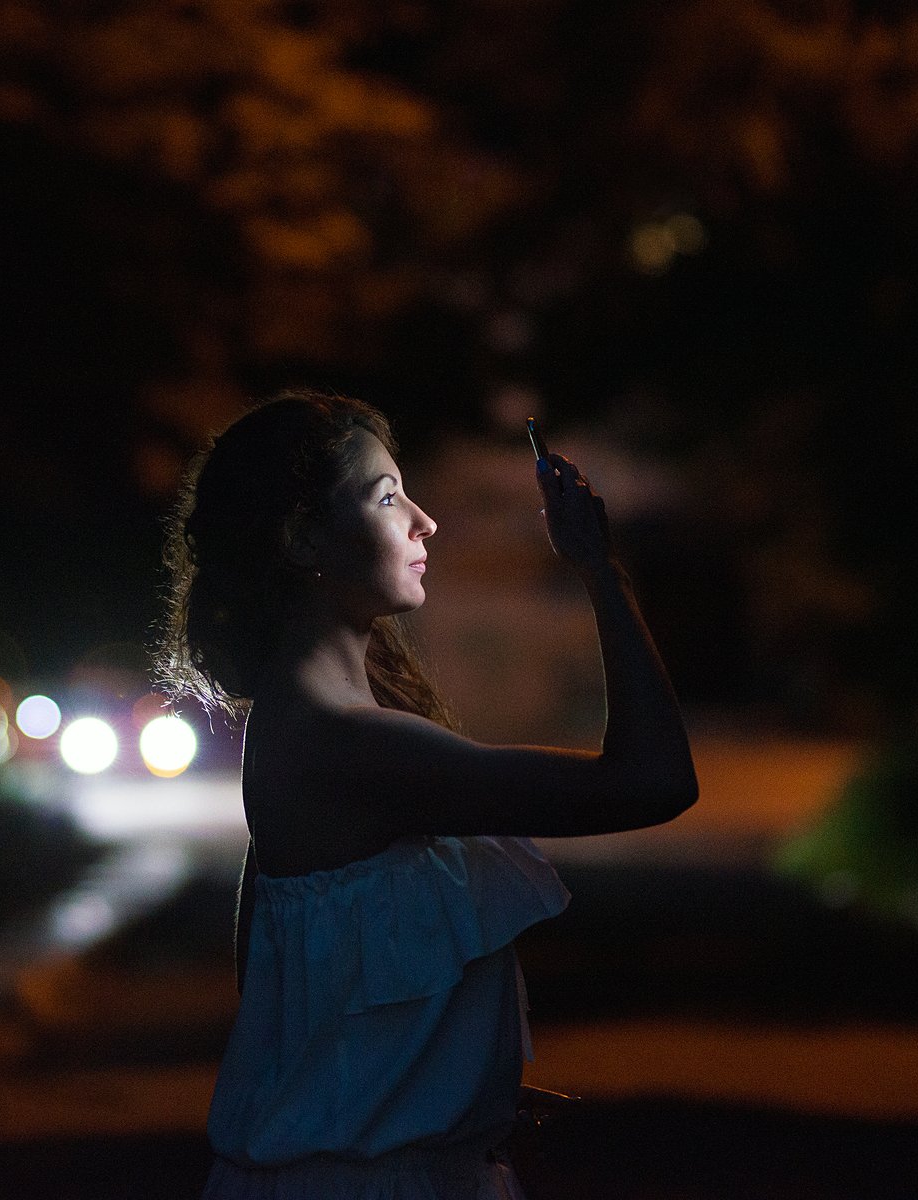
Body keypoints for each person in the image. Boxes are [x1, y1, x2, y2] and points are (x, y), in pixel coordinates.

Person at [154, 389, 697, 1199]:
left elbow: (303, 986)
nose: (425, 521)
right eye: (386, 498)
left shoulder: (301, 728)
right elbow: (652, 782)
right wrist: (601, 570)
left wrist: (437, 1091)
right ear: (303, 539)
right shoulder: (350, 746)